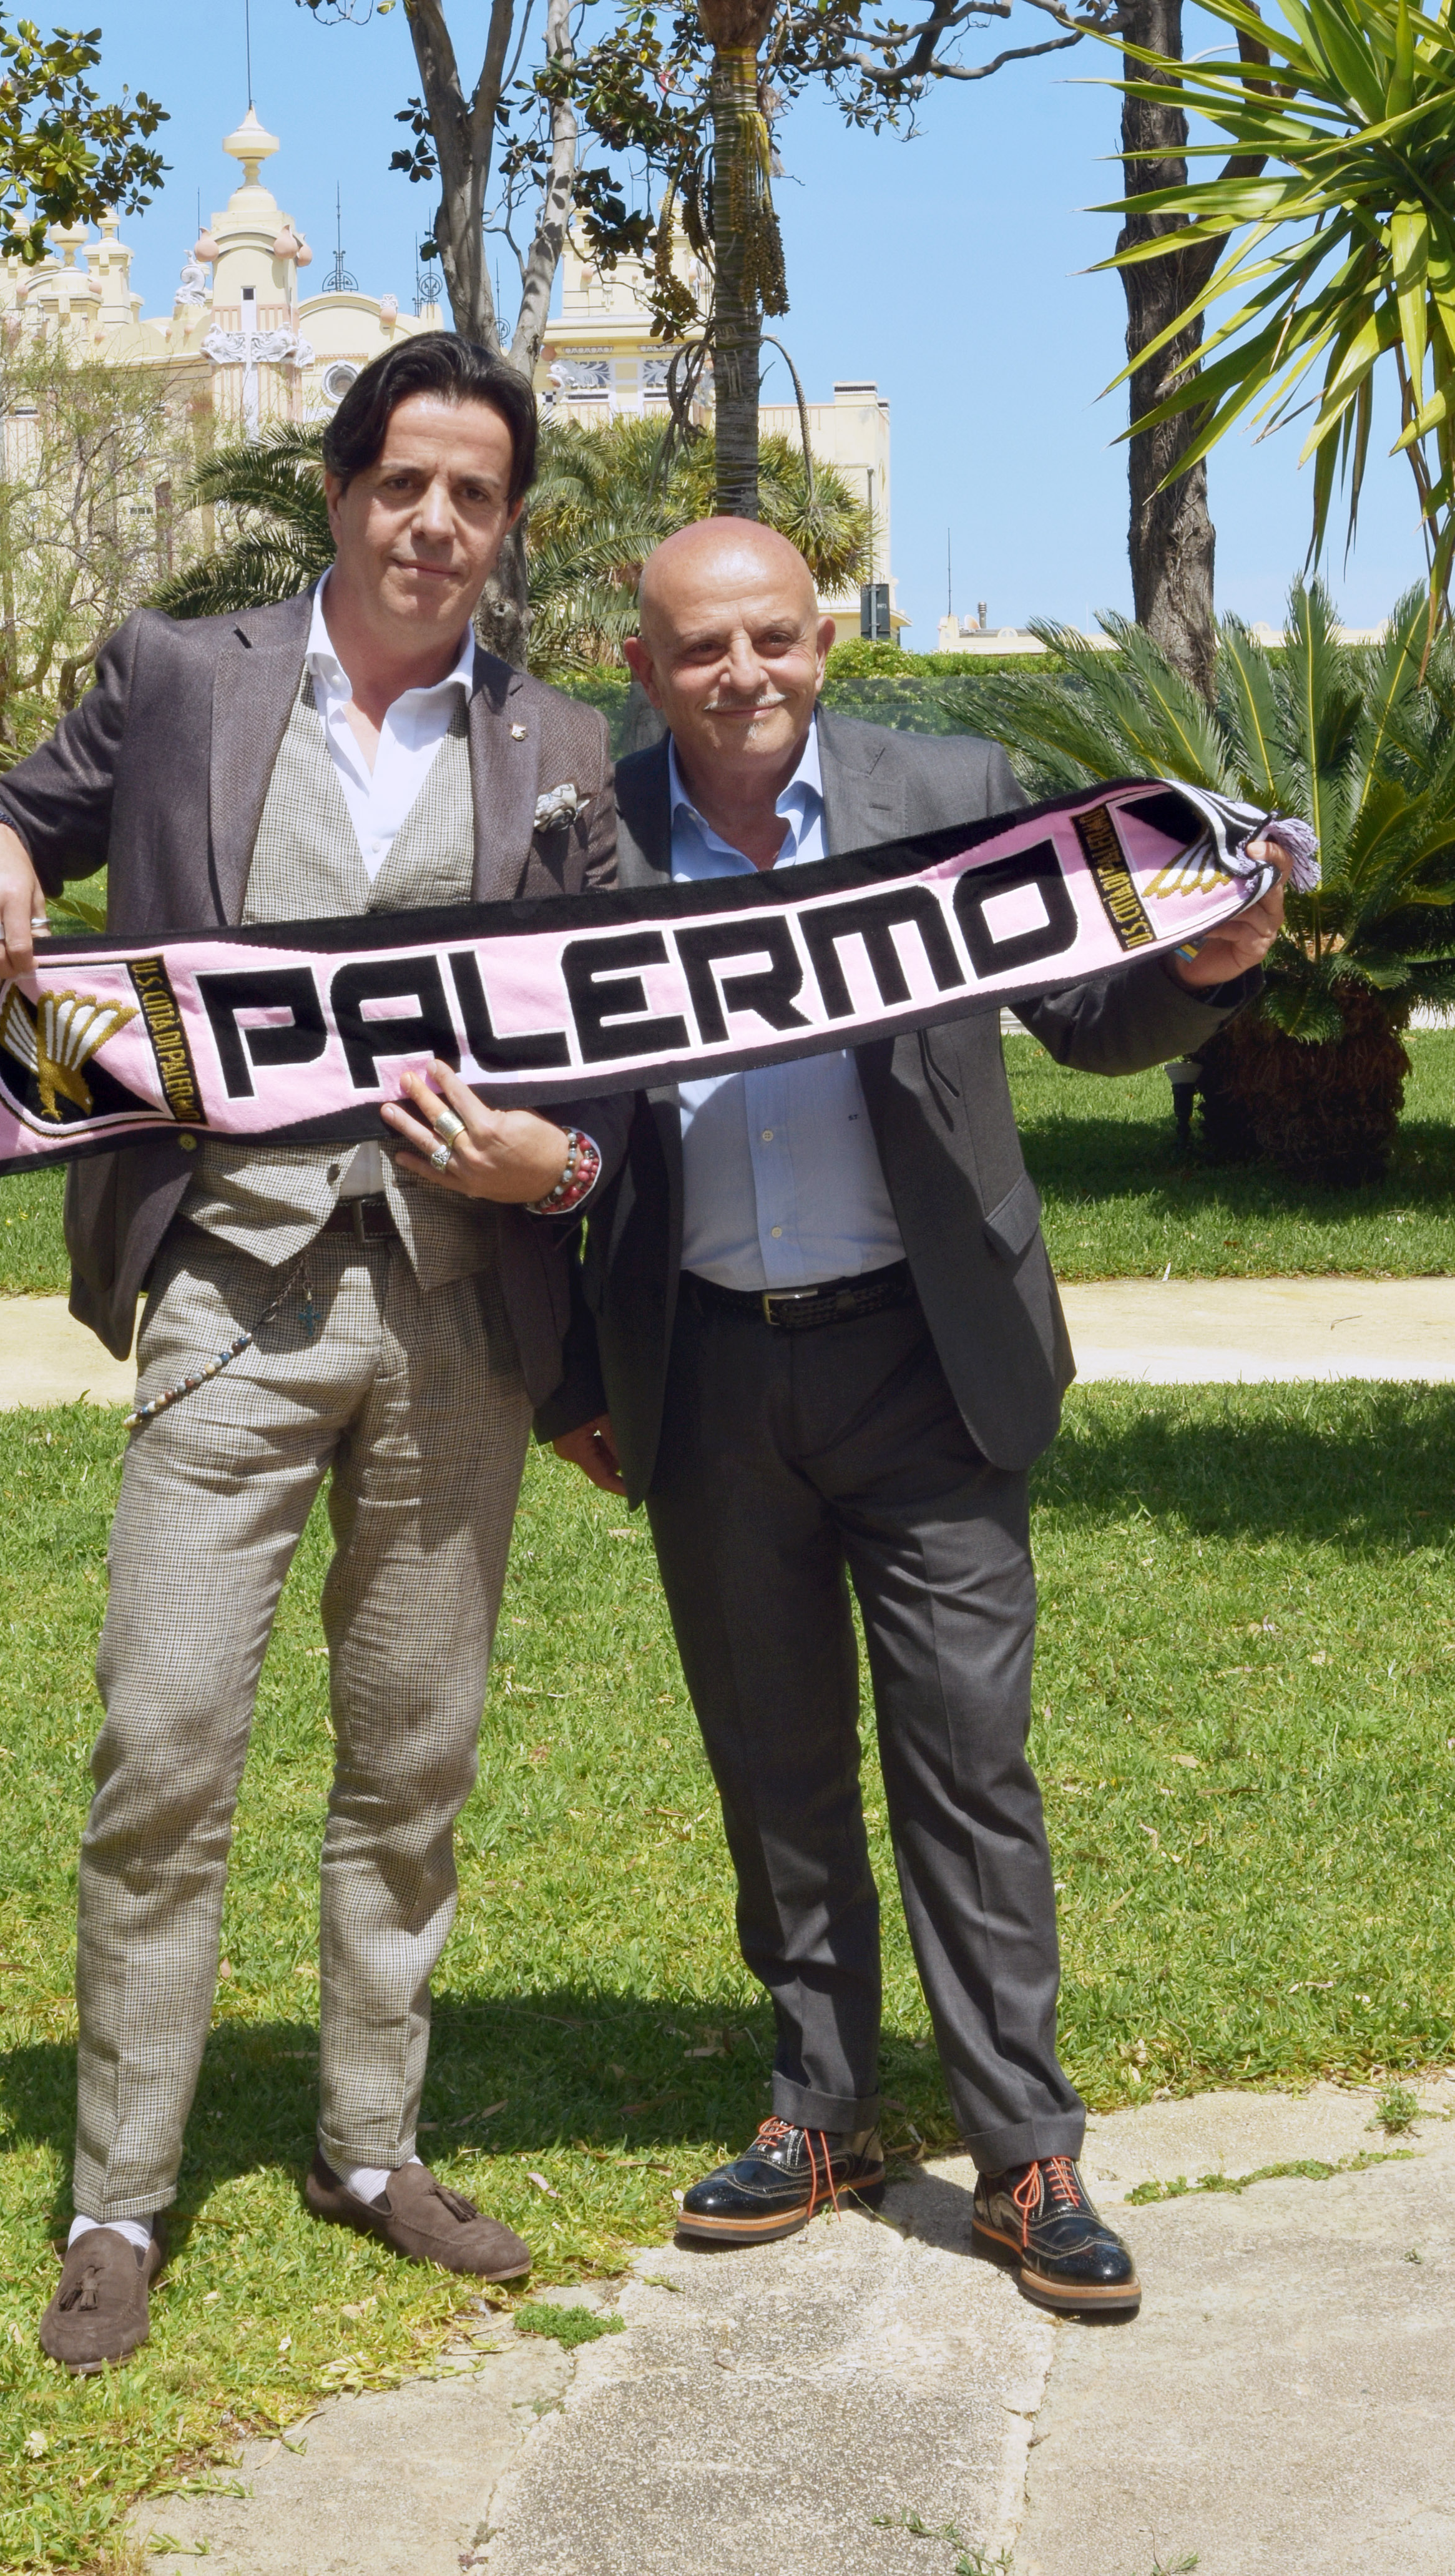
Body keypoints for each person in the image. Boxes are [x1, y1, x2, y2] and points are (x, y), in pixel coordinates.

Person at [0, 333, 627, 2372]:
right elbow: (4, 814)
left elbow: (619, 1027)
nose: (436, 524)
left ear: (507, 526)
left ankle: (370, 2146)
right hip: (232, 1297)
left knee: (414, 1759)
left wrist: (563, 1161)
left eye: (476, 495)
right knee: (164, 1748)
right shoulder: (181, 678)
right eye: (405, 482)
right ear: (338, 490)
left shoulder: (558, 742)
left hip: (460, 1319)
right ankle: (116, 2200)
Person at [543, 518, 1290, 2316]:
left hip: (928, 1357)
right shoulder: (585, 841)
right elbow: (533, 1096)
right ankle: (820, 2109)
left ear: (826, 640)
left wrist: (1205, 972)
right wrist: (571, 1375)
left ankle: (1026, 2152)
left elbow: (1089, 1014)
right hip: (705, 1365)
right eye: (701, 648)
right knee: (775, 1764)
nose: (743, 673)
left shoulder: (947, 795)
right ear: (642, 668)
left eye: (774, 637)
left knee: (968, 1761)